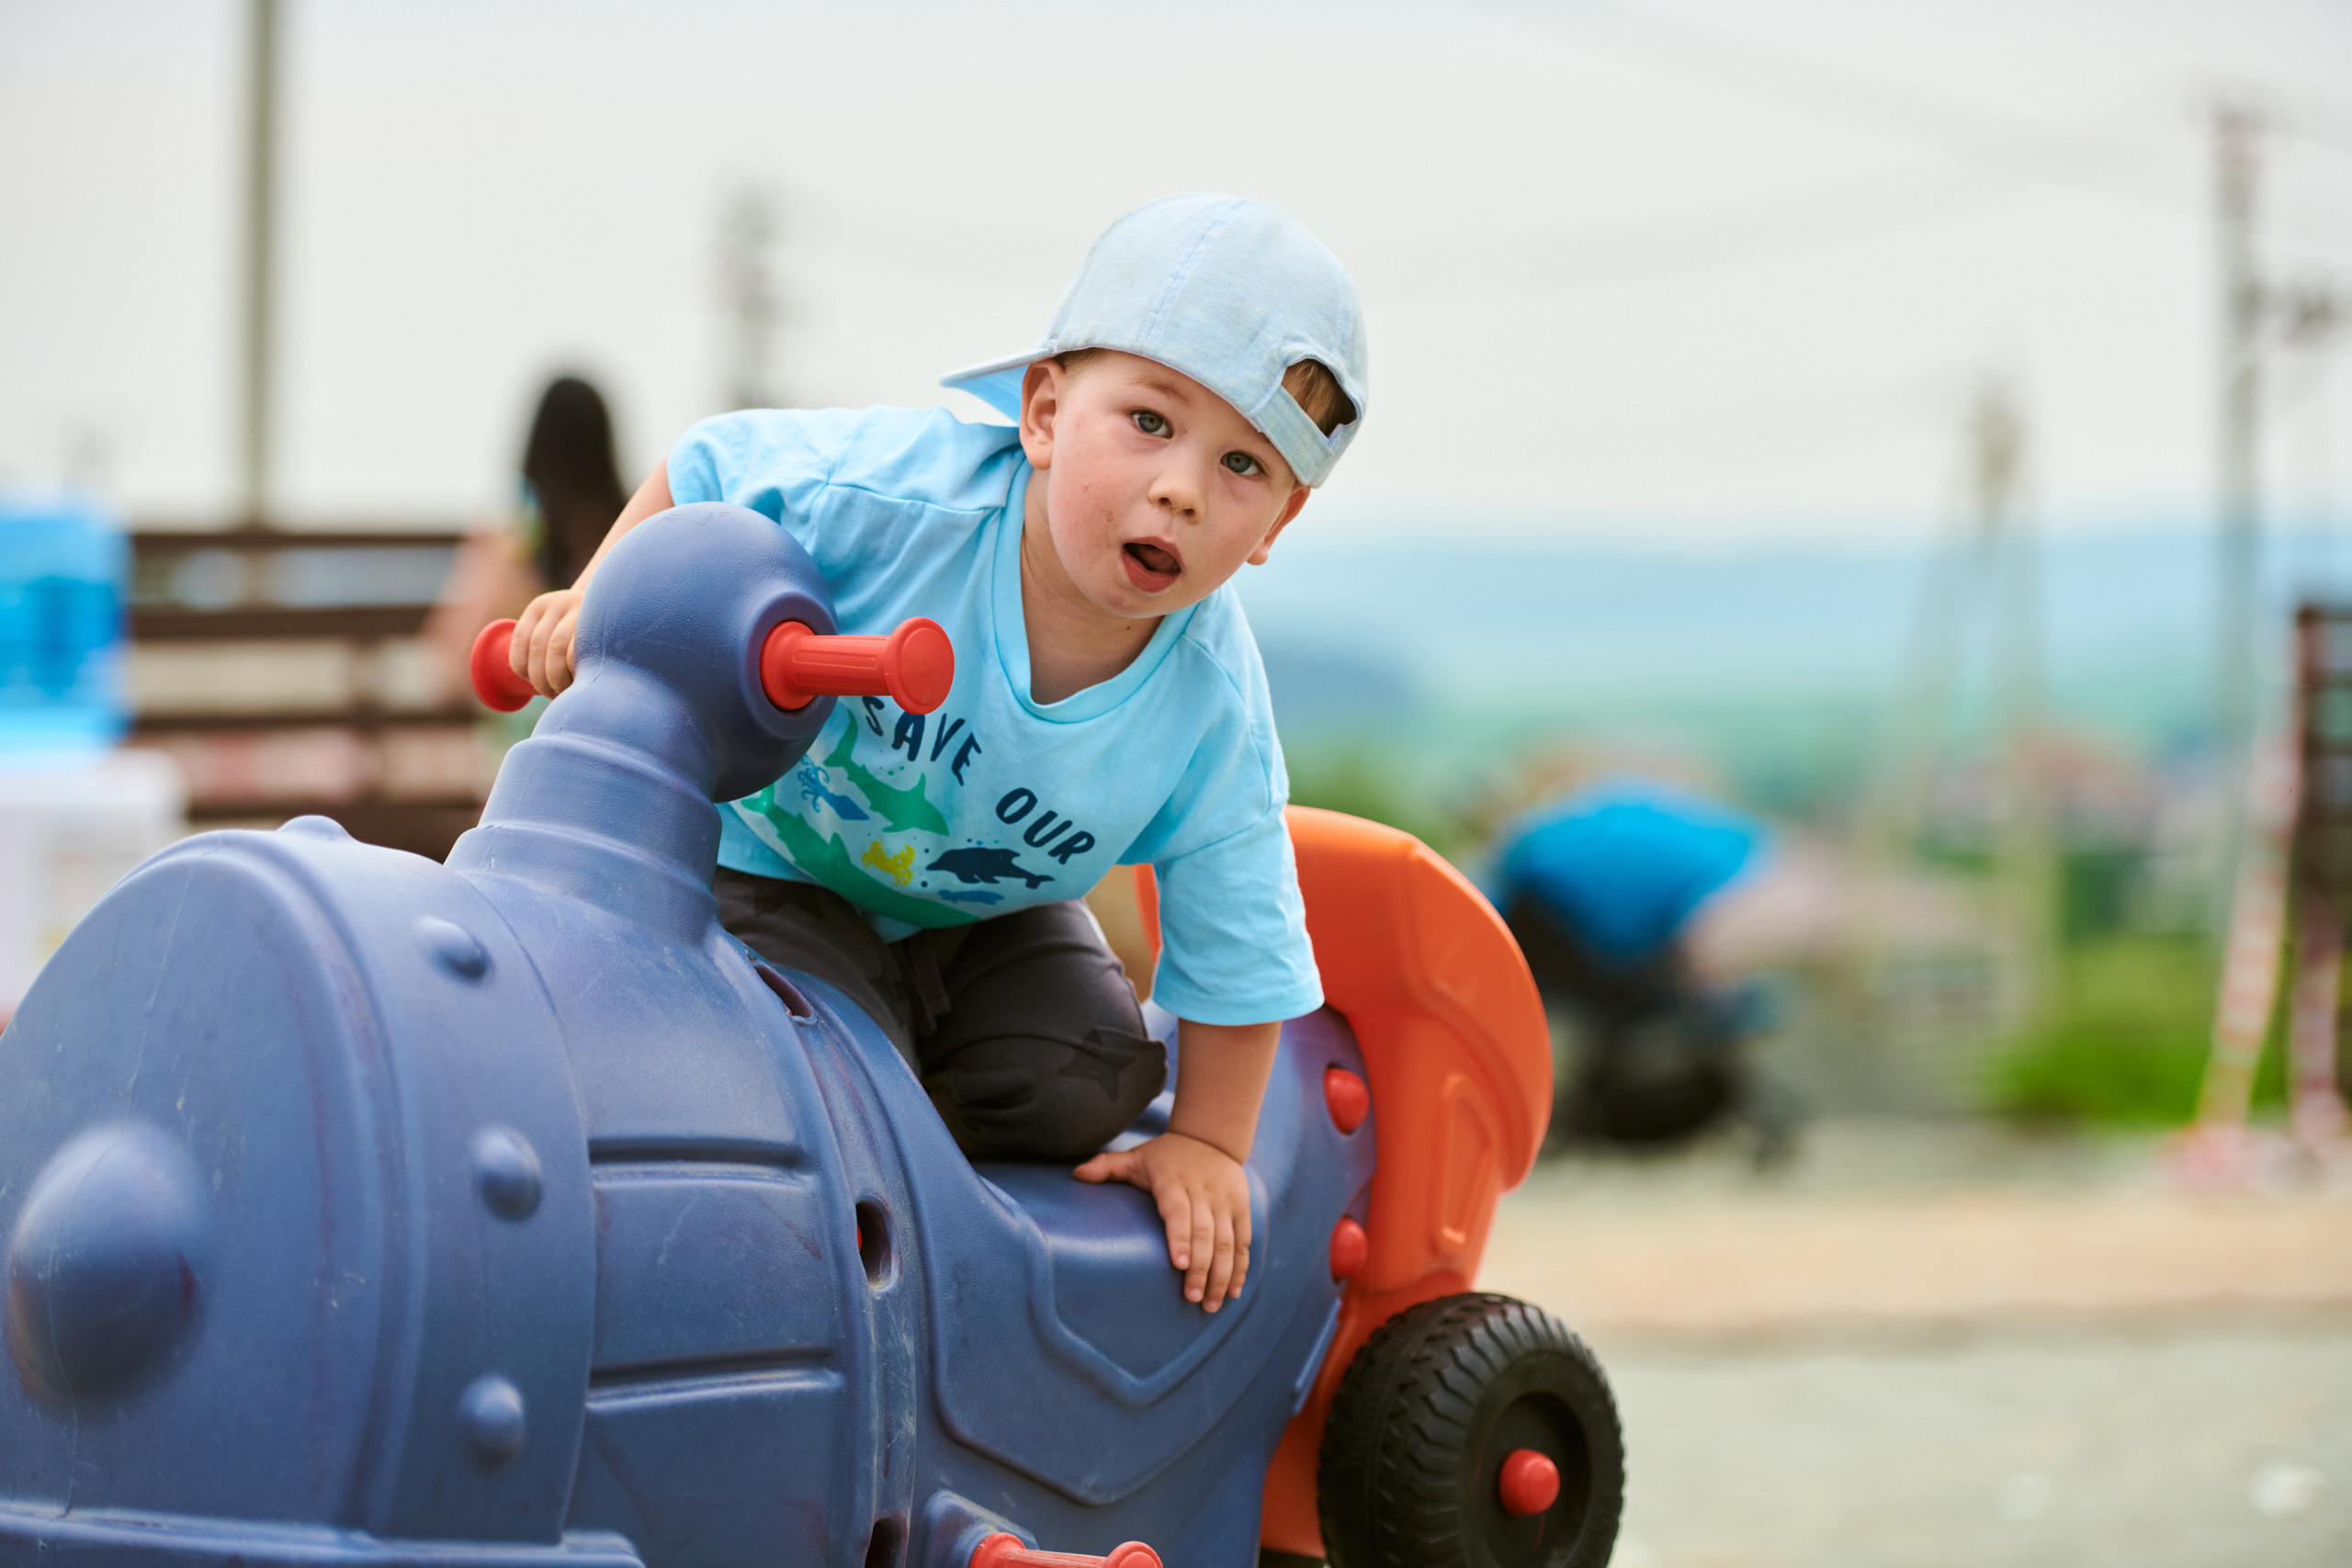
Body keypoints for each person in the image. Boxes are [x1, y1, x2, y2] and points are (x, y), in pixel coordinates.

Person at [506, 195, 1364, 1315]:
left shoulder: (1210, 705)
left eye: (1243, 464)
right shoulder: (894, 503)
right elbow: (711, 468)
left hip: (973, 918)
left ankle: (875, 1127)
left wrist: (1206, 1143)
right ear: (1045, 414)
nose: (1182, 488)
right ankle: (808, 1128)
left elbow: (1240, 929)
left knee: (1093, 1075)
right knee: (801, 1051)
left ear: (1278, 525)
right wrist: (601, 601)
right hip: (773, 859)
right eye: (1149, 421)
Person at [1488, 781, 1794, 1156]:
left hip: (1541, 898)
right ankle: (1588, 1122)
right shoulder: (1746, 865)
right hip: (1560, 910)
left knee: (1631, 1013)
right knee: (1644, 1014)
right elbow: (1707, 959)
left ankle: (1582, 1121)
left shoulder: (1730, 848)